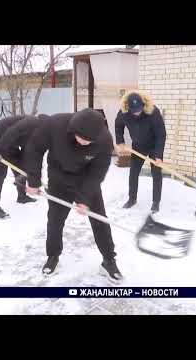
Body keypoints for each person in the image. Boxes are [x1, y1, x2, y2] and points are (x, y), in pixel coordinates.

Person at [22, 108, 123, 283]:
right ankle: (53, 256)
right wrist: (33, 180)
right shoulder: (55, 124)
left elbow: (97, 173)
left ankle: (109, 260)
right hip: (58, 178)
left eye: (89, 140)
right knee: (55, 220)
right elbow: (34, 148)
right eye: (81, 138)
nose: (84, 142)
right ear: (73, 129)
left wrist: (84, 198)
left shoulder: (104, 140)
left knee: (99, 219)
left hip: (85, 180)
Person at [115, 91, 166, 213]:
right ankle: (132, 199)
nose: (137, 112)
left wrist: (158, 155)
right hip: (138, 146)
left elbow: (161, 134)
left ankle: (156, 202)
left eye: (139, 109)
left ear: (143, 105)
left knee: (156, 173)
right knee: (133, 173)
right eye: (134, 110)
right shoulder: (124, 113)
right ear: (128, 107)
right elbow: (118, 125)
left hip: (154, 145)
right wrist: (120, 141)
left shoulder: (153, 111)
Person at [0, 115, 41, 219]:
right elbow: (11, 132)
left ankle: (22, 196)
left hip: (11, 143)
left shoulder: (39, 137)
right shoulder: (31, 122)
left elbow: (27, 153)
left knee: (21, 168)